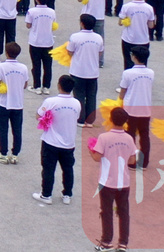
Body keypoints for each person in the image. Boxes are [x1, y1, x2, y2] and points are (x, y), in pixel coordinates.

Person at [90, 107, 137, 252]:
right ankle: (123, 243)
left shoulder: (104, 138)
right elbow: (132, 160)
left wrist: (91, 150)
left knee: (106, 211)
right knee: (123, 212)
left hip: (107, 181)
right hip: (123, 182)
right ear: (125, 122)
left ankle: (106, 242)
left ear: (110, 119)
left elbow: (97, 157)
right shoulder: (129, 138)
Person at [32, 75, 82, 205]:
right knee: (68, 169)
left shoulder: (51, 101)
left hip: (51, 142)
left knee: (48, 169)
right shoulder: (76, 103)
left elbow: (38, 115)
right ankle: (67, 194)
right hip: (69, 142)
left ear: (59, 86)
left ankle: (46, 195)